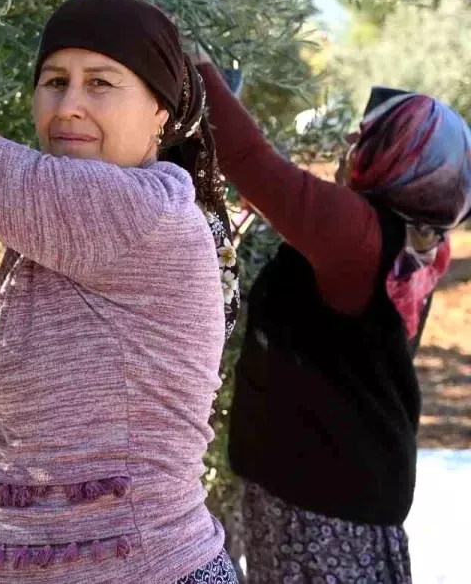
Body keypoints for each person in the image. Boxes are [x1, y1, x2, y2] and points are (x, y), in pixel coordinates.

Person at [0, 0, 240, 581]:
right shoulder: (69, 215)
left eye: (102, 84)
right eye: (54, 82)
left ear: (161, 112)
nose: (68, 107)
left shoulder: (142, 212)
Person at [191, 52, 471, 583]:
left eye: (366, 138)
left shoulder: (357, 235)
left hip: (319, 501)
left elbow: (250, 162)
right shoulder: (419, 240)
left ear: (398, 161)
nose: (349, 145)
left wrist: (195, 68)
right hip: (345, 490)